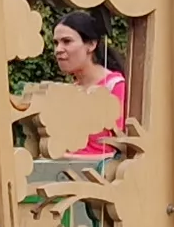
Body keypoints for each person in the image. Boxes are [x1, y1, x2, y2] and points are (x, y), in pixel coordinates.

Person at [50, 10, 126, 158]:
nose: (58, 49)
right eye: (56, 43)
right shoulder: (70, 91)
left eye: (67, 41)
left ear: (91, 44)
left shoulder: (115, 86)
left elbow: (119, 150)